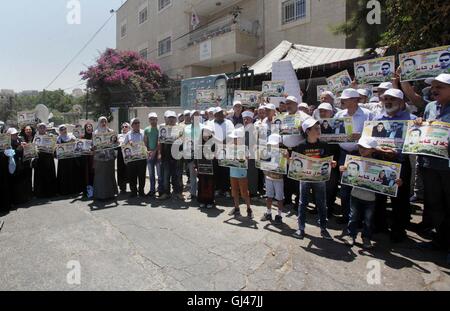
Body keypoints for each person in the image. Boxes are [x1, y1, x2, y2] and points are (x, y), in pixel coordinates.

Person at [342, 137, 403, 249]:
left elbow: (391, 180)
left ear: (373, 150)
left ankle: (366, 239)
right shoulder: (353, 161)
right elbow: (347, 175)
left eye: (366, 148)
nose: (362, 149)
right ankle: (351, 236)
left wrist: (398, 182)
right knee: (353, 217)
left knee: (368, 220)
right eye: (360, 147)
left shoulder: (382, 165)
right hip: (355, 194)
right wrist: (343, 169)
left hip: (371, 199)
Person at [373, 89, 417, 241]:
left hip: (400, 162)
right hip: (381, 160)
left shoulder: (411, 119)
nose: (387, 101)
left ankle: (398, 230)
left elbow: (416, 142)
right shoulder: (377, 118)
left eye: (391, 99)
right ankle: (380, 225)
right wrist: (378, 149)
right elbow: (371, 140)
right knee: (379, 195)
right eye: (385, 98)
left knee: (399, 198)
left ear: (401, 102)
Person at [416, 74, 450, 261]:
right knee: (435, 205)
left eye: (440, 87)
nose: (434, 90)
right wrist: (418, 124)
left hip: (448, 166)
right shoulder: (429, 107)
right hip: (429, 164)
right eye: (433, 87)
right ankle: (440, 241)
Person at [293, 118, 336, 240]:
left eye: (319, 128)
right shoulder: (301, 146)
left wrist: (332, 163)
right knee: (302, 203)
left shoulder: (324, 145)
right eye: (316, 128)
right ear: (307, 131)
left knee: (322, 203)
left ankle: (323, 228)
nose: (319, 130)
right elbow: (297, 162)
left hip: (319, 179)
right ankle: (301, 228)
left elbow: (327, 160)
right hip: (305, 179)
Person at [335, 88, 373, 224]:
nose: (343, 101)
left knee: (360, 186)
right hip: (344, 154)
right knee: (345, 186)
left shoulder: (368, 115)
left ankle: (360, 219)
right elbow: (333, 132)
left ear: (355, 100)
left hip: (361, 154)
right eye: (343, 99)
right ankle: (347, 216)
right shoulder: (339, 115)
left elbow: (374, 135)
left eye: (346, 99)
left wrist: (361, 135)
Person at [207, 107, 235, 197]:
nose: (221, 114)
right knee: (216, 170)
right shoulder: (209, 123)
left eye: (221, 113)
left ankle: (226, 189)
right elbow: (209, 135)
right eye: (218, 113)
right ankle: (217, 189)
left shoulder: (229, 122)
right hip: (214, 149)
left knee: (226, 170)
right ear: (215, 115)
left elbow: (231, 134)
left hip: (226, 148)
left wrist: (222, 142)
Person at [227, 128, 253, 218]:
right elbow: (226, 159)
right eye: (233, 138)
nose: (234, 140)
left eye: (235, 138)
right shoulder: (229, 147)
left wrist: (244, 157)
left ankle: (249, 209)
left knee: (244, 192)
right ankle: (236, 208)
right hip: (232, 172)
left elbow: (248, 159)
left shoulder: (244, 148)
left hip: (242, 173)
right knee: (234, 192)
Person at [158, 111, 184, 201]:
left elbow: (183, 142)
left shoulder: (180, 128)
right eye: (170, 118)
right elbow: (160, 142)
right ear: (167, 119)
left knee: (178, 175)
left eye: (173, 117)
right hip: (166, 156)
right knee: (166, 175)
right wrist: (160, 153)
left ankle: (178, 192)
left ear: (175, 119)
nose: (171, 119)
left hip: (177, 155)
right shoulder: (162, 128)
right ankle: (166, 193)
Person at [93, 117, 118, 201]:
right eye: (102, 121)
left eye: (105, 121)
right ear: (99, 122)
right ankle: (100, 195)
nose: (103, 123)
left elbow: (116, 143)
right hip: (99, 158)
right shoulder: (95, 133)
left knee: (110, 174)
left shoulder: (111, 132)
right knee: (100, 176)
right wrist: (94, 147)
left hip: (110, 157)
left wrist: (115, 142)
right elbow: (92, 146)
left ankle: (110, 194)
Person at [57, 125, 84, 196]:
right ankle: (64, 190)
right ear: (60, 131)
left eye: (65, 129)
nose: (64, 130)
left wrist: (74, 141)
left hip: (72, 159)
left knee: (73, 173)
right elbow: (56, 148)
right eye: (62, 129)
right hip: (63, 160)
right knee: (64, 175)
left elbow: (77, 145)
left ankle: (74, 190)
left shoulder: (71, 136)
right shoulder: (58, 138)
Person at [123, 118, 146, 198]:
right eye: (135, 123)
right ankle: (133, 191)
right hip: (131, 159)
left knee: (142, 175)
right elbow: (124, 145)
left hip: (142, 158)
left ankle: (141, 191)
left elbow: (146, 144)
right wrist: (128, 144)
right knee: (132, 175)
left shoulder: (143, 132)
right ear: (132, 125)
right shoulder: (128, 134)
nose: (137, 124)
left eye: (138, 123)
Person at [33, 123, 57, 199]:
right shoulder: (36, 136)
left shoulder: (50, 136)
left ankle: (51, 192)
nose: (42, 129)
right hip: (39, 158)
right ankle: (39, 193)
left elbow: (54, 146)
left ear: (46, 128)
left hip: (48, 158)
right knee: (39, 176)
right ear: (38, 129)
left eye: (43, 127)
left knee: (49, 174)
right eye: (40, 127)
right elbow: (34, 146)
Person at [196, 125, 216, 209]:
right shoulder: (199, 144)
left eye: (207, 134)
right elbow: (196, 156)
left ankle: (210, 201)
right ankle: (202, 200)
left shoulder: (213, 144)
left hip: (211, 169)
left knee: (210, 184)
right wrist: (195, 166)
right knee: (202, 184)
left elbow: (217, 155)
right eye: (204, 134)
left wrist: (215, 156)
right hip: (201, 168)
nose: (206, 136)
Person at [144, 113, 162, 197]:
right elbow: (145, 142)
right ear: (149, 120)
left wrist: (156, 151)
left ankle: (160, 189)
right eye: (151, 119)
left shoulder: (160, 129)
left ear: (157, 119)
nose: (153, 120)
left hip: (158, 154)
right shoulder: (146, 130)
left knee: (159, 174)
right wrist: (147, 151)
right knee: (151, 175)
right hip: (150, 154)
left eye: (154, 119)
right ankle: (152, 190)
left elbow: (160, 142)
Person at [82, 122, 95, 199]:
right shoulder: (82, 137)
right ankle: (88, 191)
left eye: (90, 126)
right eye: (87, 127)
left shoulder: (95, 136)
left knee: (94, 174)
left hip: (94, 159)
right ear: (85, 129)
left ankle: (95, 190)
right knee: (87, 175)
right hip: (86, 159)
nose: (89, 128)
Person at [117, 122, 130, 194]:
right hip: (120, 154)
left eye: (126, 126)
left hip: (128, 154)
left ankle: (132, 186)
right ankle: (122, 187)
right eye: (123, 127)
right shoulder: (119, 135)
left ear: (129, 127)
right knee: (121, 170)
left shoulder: (130, 135)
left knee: (129, 170)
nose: (124, 128)